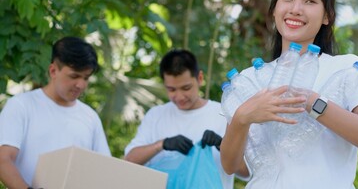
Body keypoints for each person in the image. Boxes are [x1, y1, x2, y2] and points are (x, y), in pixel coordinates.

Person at [220, 0, 358, 188]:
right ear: (274, 9)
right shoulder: (249, 79)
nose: (296, 9)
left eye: (310, 1)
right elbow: (230, 165)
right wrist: (243, 116)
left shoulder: (346, 68)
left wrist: (313, 103)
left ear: (327, 16)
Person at [0, 36, 111, 188]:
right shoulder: (21, 105)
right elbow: (3, 160)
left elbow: (104, 171)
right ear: (53, 71)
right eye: (74, 76)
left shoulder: (90, 117)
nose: (80, 84)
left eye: (86, 78)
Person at [124, 49, 241, 189]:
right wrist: (162, 144)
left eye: (186, 88)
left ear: (200, 78)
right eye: (172, 90)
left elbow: (246, 172)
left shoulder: (224, 114)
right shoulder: (155, 115)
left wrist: (223, 145)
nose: (179, 96)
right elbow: (129, 161)